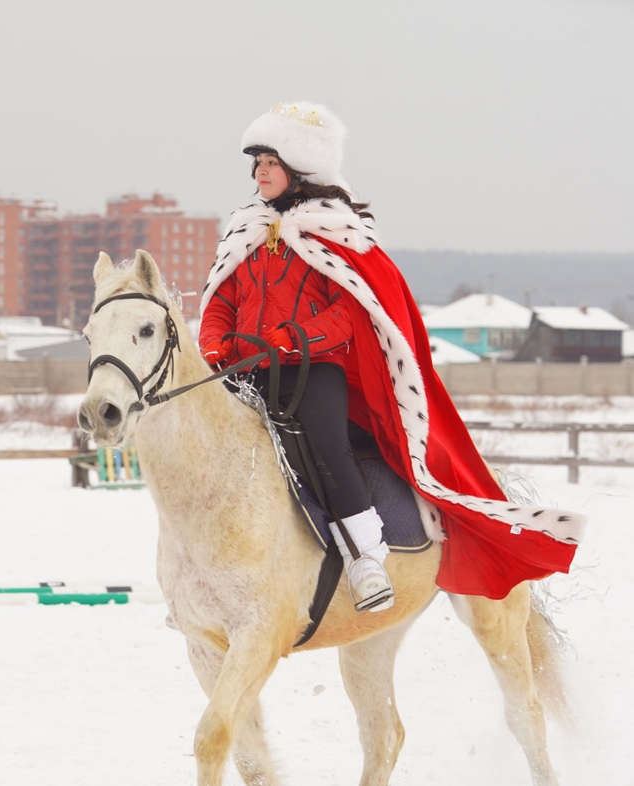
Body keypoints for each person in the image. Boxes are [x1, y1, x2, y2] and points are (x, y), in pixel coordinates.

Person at [199, 101, 582, 608]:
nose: (260, 172)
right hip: (248, 373)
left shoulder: (336, 233)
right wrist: (212, 340)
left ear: (300, 171)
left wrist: (294, 337)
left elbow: (349, 313)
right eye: (257, 164)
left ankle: (365, 563)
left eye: (270, 163)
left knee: (329, 448)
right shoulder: (245, 232)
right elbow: (223, 298)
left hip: (313, 370)